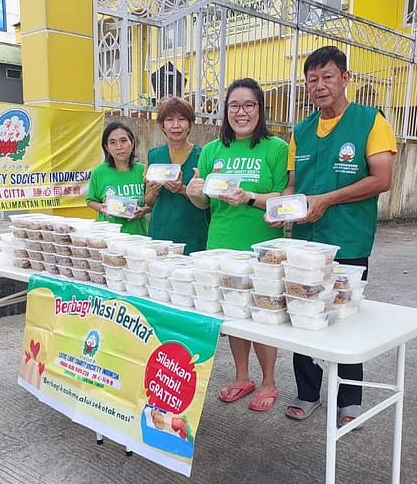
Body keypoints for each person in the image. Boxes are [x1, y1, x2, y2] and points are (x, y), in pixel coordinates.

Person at [282, 45, 397, 426]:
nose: (320, 86)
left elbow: (382, 179)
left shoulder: (370, 121)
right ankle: (307, 391)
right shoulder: (300, 131)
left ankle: (349, 399)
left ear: (346, 78)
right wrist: (279, 209)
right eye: (312, 79)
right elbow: (293, 187)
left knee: (345, 317)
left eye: (328, 77)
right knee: (302, 314)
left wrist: (327, 200)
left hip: (348, 239)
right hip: (304, 242)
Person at [186, 77, 289, 412]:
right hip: (221, 244)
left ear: (260, 109)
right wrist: (193, 193)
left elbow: (282, 198)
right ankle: (242, 376)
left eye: (248, 105)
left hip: (262, 248)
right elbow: (204, 202)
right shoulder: (212, 151)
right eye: (234, 105)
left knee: (263, 315)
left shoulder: (276, 148)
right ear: (225, 110)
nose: (241, 112)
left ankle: (269, 381)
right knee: (233, 316)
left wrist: (249, 197)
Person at [144, 97, 209, 254]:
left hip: (193, 233)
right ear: (162, 126)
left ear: (190, 124)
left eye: (182, 119)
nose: (176, 125)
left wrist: (182, 190)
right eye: (169, 120)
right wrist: (154, 191)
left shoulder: (202, 156)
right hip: (161, 233)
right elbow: (148, 201)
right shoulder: (154, 156)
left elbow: (208, 201)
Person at [86, 121, 150, 235]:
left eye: (123, 140)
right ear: (107, 148)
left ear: (132, 143)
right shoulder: (98, 172)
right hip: (108, 236)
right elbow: (90, 201)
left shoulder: (143, 170)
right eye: (113, 142)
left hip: (138, 236)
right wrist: (102, 207)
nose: (119, 147)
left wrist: (143, 210)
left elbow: (153, 203)